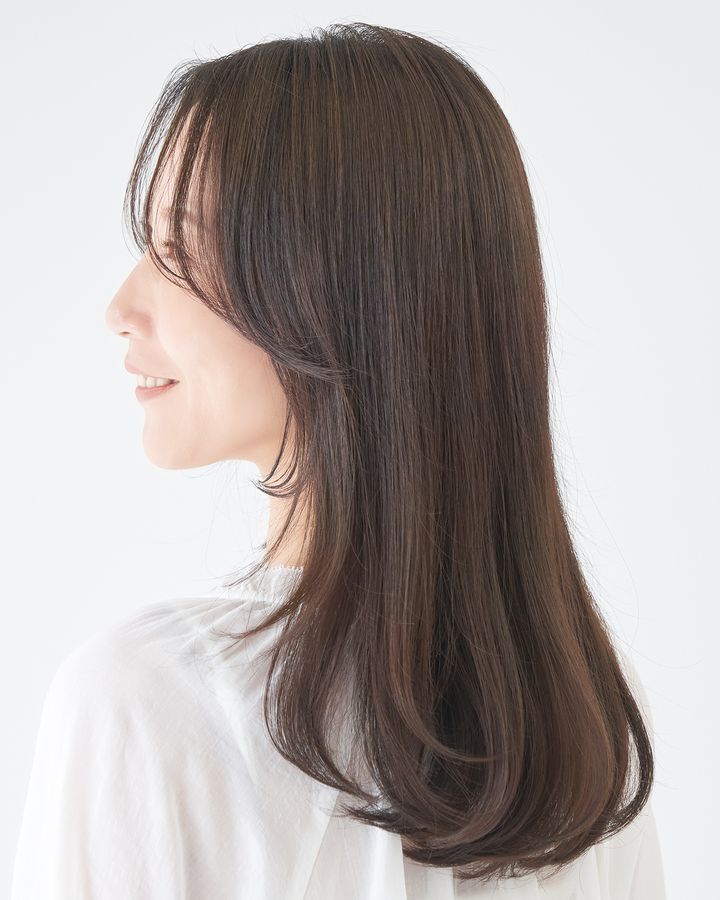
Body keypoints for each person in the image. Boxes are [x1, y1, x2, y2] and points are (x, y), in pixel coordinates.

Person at [11, 22, 666, 899]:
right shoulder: (587, 719)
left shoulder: (148, 703)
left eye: (177, 249)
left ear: (329, 286)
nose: (120, 307)